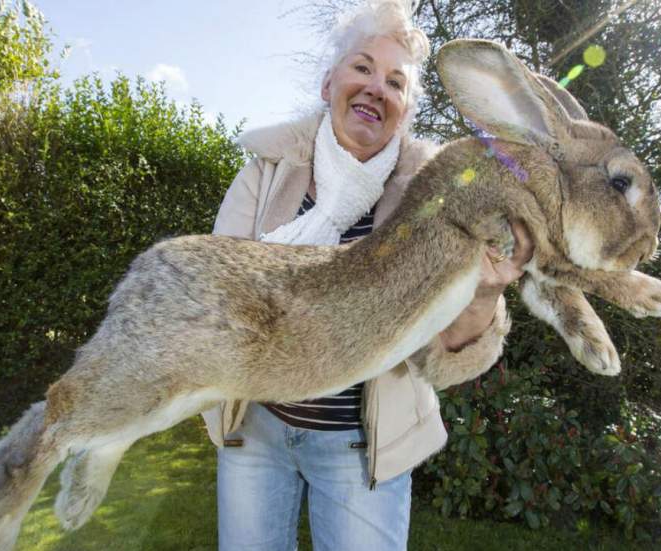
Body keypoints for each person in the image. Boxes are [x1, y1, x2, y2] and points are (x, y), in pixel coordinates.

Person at [202, 1, 533, 549]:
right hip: (255, 433)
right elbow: (217, 291)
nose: (376, 88)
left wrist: (487, 290)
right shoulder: (266, 170)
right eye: (362, 68)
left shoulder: (437, 199)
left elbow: (445, 350)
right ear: (329, 82)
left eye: (395, 82)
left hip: (362, 448)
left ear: (405, 110)